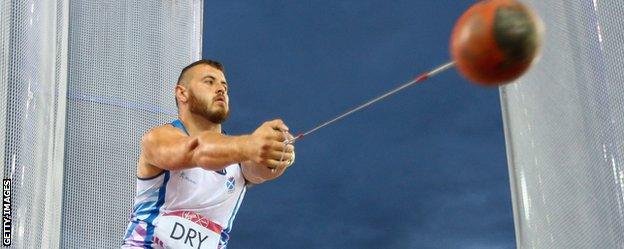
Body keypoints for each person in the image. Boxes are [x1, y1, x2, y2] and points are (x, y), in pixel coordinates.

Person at [122, 59, 295, 248]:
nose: (221, 90)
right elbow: (197, 151)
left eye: (224, 86)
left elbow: (260, 170)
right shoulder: (157, 138)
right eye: (209, 82)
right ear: (182, 93)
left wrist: (277, 155)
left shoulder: (238, 158)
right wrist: (250, 145)